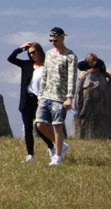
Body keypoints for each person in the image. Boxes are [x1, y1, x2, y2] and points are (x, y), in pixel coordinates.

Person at [36, 27, 78, 166]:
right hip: (46, 95)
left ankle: (57, 156)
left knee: (57, 126)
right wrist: (40, 94)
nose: (53, 42)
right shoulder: (48, 54)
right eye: (51, 40)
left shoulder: (70, 56)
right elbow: (45, 74)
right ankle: (60, 144)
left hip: (60, 98)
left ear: (62, 38)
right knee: (40, 124)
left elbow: (72, 78)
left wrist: (69, 97)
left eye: (55, 40)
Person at [7, 42, 56, 162]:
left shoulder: (47, 66)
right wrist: (20, 48)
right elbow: (11, 58)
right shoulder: (27, 65)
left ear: (39, 51)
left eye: (34, 52)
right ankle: (30, 155)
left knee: (40, 126)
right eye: (30, 53)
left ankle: (52, 146)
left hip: (40, 100)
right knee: (28, 128)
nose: (32, 55)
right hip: (26, 99)